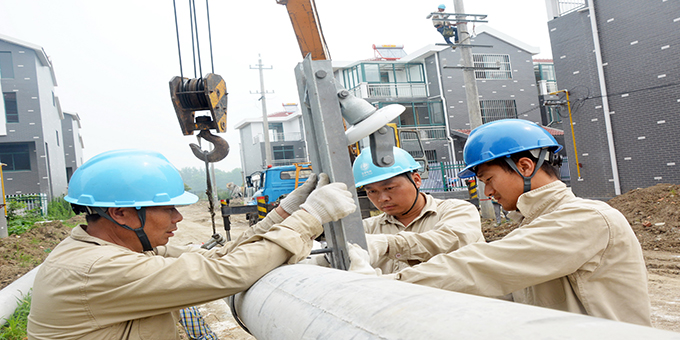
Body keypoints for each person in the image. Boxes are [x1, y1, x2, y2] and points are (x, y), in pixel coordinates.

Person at [27, 149, 356, 339]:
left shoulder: (115, 249)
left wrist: (285, 212)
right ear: (122, 213)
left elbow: (215, 257)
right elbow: (226, 274)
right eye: (168, 208)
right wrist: (311, 217)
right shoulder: (100, 268)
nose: (178, 219)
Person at [384, 119, 651, 326]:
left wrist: (388, 286)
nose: (487, 192)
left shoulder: (586, 218)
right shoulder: (533, 223)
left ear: (524, 166)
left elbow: (484, 266)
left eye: (489, 179)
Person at [352, 146, 483, 274]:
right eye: (372, 191)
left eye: (390, 188)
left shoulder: (457, 210)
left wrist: (388, 245)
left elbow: (450, 241)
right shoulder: (366, 229)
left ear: (416, 180)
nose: (382, 198)